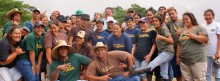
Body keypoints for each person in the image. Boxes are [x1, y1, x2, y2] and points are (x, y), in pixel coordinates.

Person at [130, 16, 174, 81]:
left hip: (167, 52)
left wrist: (161, 37)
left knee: (151, 64)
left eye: (156, 21)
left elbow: (171, 41)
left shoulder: (163, 28)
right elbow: (134, 45)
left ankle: (135, 72)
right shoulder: (156, 30)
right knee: (164, 74)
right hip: (161, 52)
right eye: (153, 21)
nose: (154, 22)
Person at [177, 12, 208, 81]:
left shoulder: (199, 28)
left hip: (197, 59)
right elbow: (179, 44)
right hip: (184, 60)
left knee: (199, 79)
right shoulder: (183, 30)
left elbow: (205, 40)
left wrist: (194, 36)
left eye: (186, 19)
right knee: (186, 79)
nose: (185, 21)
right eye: (183, 19)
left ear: (192, 19)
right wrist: (177, 57)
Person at [162, 7, 183, 81]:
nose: (171, 15)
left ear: (176, 13)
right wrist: (165, 12)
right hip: (173, 50)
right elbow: (162, 20)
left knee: (185, 72)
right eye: (170, 14)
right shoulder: (169, 23)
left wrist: (182, 30)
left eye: (173, 13)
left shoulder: (183, 21)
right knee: (177, 73)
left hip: (184, 49)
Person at [201, 9, 220, 81]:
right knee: (207, 73)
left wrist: (218, 52)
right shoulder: (202, 26)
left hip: (215, 53)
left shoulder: (217, 25)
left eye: (209, 15)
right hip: (205, 53)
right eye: (206, 15)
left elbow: (219, 39)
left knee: (217, 73)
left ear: (213, 16)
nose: (207, 17)